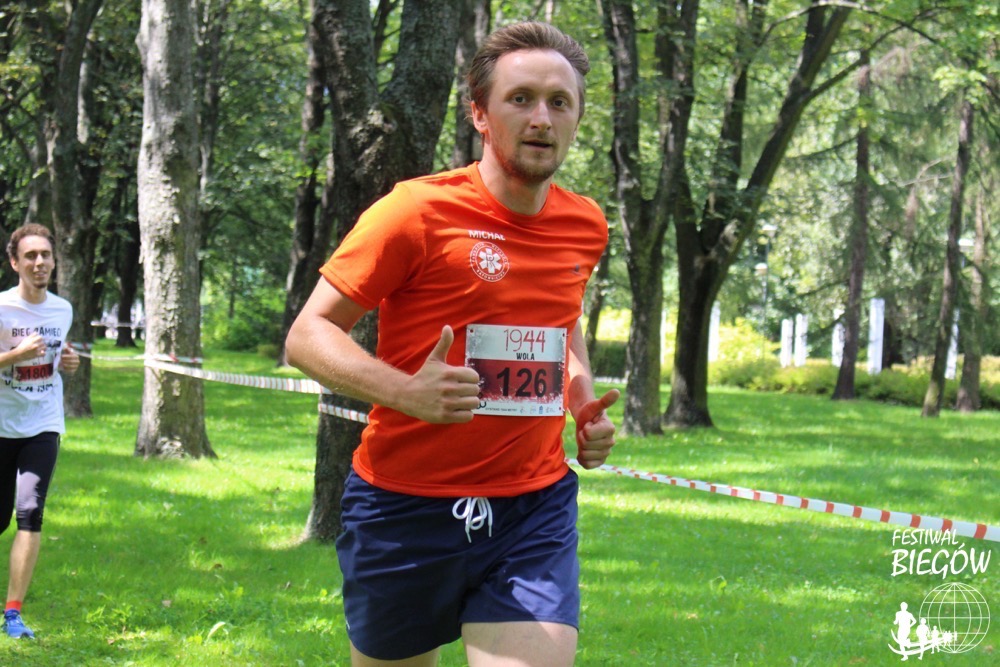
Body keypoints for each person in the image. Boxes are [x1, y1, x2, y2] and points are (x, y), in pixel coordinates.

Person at [287, 21, 618, 667]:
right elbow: (307, 334)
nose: (542, 118)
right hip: (404, 507)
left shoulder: (585, 224)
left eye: (560, 101)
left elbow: (563, 320)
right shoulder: (414, 212)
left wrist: (580, 399)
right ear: (479, 114)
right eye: (520, 98)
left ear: (577, 117)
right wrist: (405, 391)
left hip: (532, 508)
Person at [0, 223, 79, 639]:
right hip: (1, 424)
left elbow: (56, 358)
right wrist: (15, 355)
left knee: (30, 513)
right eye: (30, 256)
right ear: (15, 263)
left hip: (43, 423)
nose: (39, 262)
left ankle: (13, 614)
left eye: (45, 255)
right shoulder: (2, 307)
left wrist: (68, 363)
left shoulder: (62, 310)